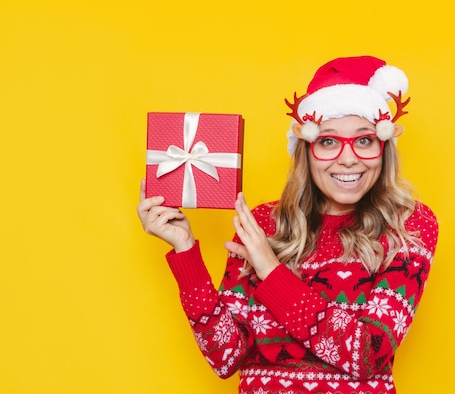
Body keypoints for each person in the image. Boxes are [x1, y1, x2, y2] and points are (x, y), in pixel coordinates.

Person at [137, 55, 439, 394]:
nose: (348, 158)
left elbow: (366, 354)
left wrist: (270, 270)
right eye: (328, 141)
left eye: (364, 140)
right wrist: (185, 250)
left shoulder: (409, 225)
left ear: (384, 148)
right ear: (306, 150)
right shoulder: (263, 224)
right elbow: (225, 357)